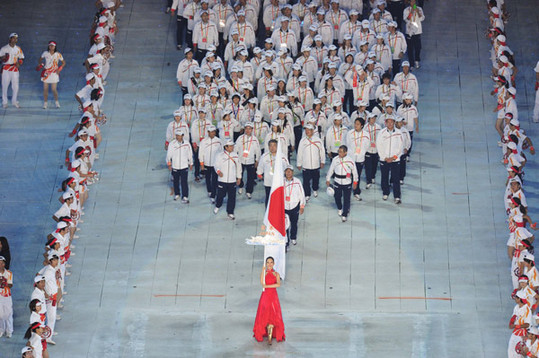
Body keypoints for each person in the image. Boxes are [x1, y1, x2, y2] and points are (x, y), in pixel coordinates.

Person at [253, 256, 285, 345]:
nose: (269, 264)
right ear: (266, 264)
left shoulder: (276, 274)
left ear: (273, 264)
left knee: (274, 313)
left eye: (271, 262)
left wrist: (268, 286)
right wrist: (263, 270)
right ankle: (264, 332)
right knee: (264, 313)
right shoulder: (264, 273)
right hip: (265, 296)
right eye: (268, 262)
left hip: (273, 296)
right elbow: (262, 283)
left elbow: (278, 284)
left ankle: (271, 335)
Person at [326, 145, 359, 222]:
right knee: (337, 196)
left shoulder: (350, 161)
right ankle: (340, 208)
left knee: (346, 199)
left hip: (347, 182)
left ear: (345, 152)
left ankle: (345, 214)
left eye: (341, 152)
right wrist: (328, 179)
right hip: (337, 181)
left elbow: (355, 172)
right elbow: (331, 169)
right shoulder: (335, 159)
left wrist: (355, 182)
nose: (339, 153)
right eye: (338, 151)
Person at [376, 116, 403, 203]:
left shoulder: (399, 133)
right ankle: (385, 192)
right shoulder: (381, 133)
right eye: (388, 122)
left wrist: (393, 157)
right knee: (384, 177)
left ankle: (397, 196)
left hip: (395, 160)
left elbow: (401, 147)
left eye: (392, 122)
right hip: (384, 159)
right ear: (385, 123)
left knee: (396, 178)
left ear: (394, 122)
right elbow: (379, 146)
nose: (390, 124)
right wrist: (385, 157)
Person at [213, 140, 242, 220]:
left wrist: (238, 177)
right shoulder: (220, 155)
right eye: (230, 146)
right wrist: (218, 172)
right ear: (226, 147)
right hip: (222, 180)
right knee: (220, 195)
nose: (232, 147)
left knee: (232, 197)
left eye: (233, 146)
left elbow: (239, 167)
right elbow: (216, 165)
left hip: (232, 180)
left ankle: (230, 212)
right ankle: (218, 205)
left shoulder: (235, 155)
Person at [296, 123, 325, 200]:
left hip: (316, 164)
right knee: (306, 181)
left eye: (309, 130)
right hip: (306, 164)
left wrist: (322, 161)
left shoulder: (318, 140)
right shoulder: (302, 141)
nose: (307, 131)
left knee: (316, 178)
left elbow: (322, 151)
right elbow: (299, 153)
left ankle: (315, 189)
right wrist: (299, 163)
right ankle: (307, 194)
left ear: (312, 131)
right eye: (306, 130)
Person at [257, 139, 289, 206]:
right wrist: (259, 174)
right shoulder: (264, 156)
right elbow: (260, 167)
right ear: (268, 147)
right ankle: (268, 214)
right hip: (268, 182)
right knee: (269, 198)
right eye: (270, 146)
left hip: (279, 182)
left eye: (274, 145)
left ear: (277, 147)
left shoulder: (282, 157)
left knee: (279, 199)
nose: (272, 147)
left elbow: (287, 168)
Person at [235, 122, 261, 199]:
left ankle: (249, 191)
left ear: (252, 130)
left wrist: (257, 160)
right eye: (246, 128)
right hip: (241, 160)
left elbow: (258, 151)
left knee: (251, 177)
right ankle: (241, 186)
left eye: (249, 129)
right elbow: (236, 149)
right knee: (240, 174)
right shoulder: (240, 138)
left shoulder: (255, 140)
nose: (247, 130)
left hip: (250, 161)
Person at [166, 130, 193, 203]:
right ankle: (177, 194)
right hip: (175, 166)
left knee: (184, 182)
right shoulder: (172, 144)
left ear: (182, 136)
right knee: (176, 181)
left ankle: (185, 196)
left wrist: (191, 163)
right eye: (177, 135)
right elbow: (169, 154)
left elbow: (190, 154)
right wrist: (169, 163)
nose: (178, 137)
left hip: (184, 166)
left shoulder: (187, 144)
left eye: (179, 135)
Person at [37, 41, 65, 109]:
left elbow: (63, 63)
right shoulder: (45, 53)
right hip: (46, 73)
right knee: (45, 89)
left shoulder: (58, 54)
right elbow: (40, 59)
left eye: (53, 46)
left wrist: (59, 69)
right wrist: (40, 64)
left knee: (54, 89)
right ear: (48, 46)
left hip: (54, 73)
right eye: (50, 45)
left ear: (55, 47)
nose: (51, 47)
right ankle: (45, 103)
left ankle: (56, 102)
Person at [346, 118, 370, 201]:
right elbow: (347, 144)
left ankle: (356, 191)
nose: (356, 125)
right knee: (348, 175)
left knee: (357, 176)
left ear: (362, 125)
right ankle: (347, 190)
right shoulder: (350, 133)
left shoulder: (366, 134)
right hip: (351, 158)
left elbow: (367, 146)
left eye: (358, 124)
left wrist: (361, 153)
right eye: (355, 123)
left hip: (360, 158)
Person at [284, 165, 305, 250]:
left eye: (290, 171)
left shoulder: (297, 181)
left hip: (294, 206)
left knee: (294, 223)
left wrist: (302, 206)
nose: (288, 172)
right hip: (284, 207)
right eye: (287, 171)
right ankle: (286, 242)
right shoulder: (281, 181)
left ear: (293, 172)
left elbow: (301, 194)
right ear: (285, 172)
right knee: (285, 226)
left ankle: (293, 237)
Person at [199, 125, 222, 202]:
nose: (213, 133)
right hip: (206, 164)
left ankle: (213, 193)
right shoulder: (203, 142)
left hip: (215, 164)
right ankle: (209, 190)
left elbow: (221, 153)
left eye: (214, 132)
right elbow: (200, 153)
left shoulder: (219, 141)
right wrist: (202, 164)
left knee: (215, 179)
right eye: (211, 132)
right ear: (208, 132)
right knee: (208, 178)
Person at [0, 33, 24, 108]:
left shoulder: (18, 49)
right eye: (13, 38)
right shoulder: (4, 48)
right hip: (6, 69)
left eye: (16, 38)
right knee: (5, 86)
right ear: (10, 39)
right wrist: (2, 58)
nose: (15, 40)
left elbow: (22, 58)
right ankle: (5, 102)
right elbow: (0, 59)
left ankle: (14, 101)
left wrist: (19, 63)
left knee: (15, 86)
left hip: (14, 69)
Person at [403, 0, 425, 69]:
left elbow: (422, 18)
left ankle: (417, 60)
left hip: (417, 31)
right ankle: (411, 64)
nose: (413, 3)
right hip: (409, 31)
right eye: (412, 2)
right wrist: (411, 12)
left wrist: (417, 11)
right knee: (410, 48)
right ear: (410, 2)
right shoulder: (406, 10)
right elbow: (406, 19)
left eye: (414, 2)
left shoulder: (419, 9)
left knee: (418, 47)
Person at [0, 256, 13, 338]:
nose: (0, 264)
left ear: (4, 264)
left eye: (2, 263)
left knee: (8, 313)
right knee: (0, 314)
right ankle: (1, 329)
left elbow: (11, 284)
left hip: (7, 296)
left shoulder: (9, 273)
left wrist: (4, 283)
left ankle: (9, 330)